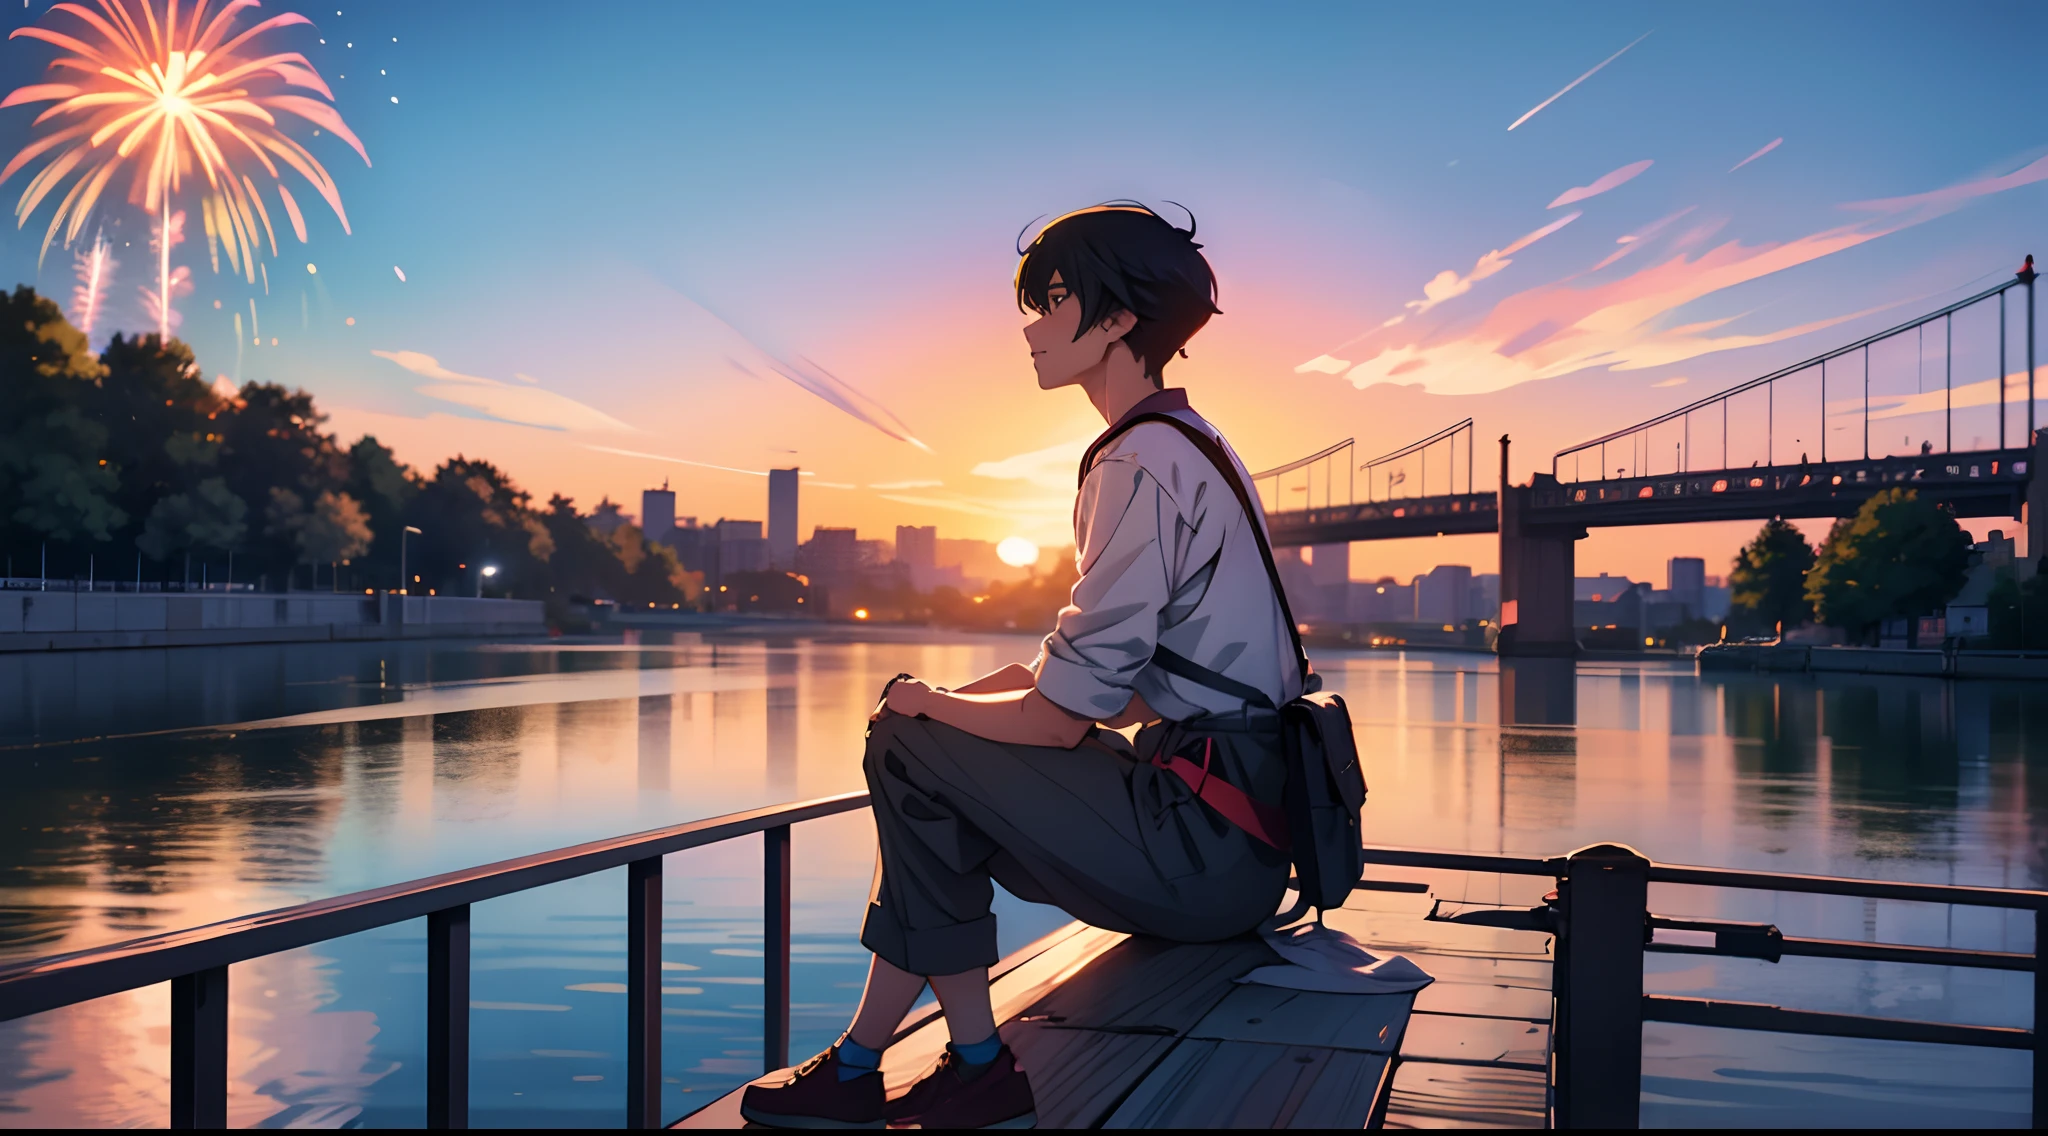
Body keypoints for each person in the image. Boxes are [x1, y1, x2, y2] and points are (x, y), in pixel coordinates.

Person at [739, 203, 1302, 1129]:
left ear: (1117, 320)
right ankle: (869, 1060)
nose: (1031, 327)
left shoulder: (1137, 463)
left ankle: (968, 1063)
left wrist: (922, 709)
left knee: (907, 750)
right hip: (1235, 829)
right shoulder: (1195, 445)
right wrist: (942, 705)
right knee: (922, 752)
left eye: (1053, 300)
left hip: (1202, 848)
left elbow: (1060, 717)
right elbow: (1092, 680)